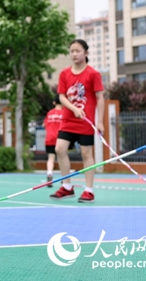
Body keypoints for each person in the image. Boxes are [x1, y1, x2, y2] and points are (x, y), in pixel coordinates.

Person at [50, 39, 105, 203]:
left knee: (86, 153)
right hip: (68, 120)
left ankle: (89, 190)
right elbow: (61, 96)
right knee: (60, 149)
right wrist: (74, 109)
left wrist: (100, 121)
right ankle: (67, 187)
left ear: (86, 53)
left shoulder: (93, 74)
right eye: (71, 51)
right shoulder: (64, 74)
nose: (74, 54)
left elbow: (100, 98)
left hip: (85, 122)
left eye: (77, 51)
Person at [43, 101, 65, 187]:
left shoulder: (50, 113)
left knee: (51, 158)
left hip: (49, 138)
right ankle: (64, 178)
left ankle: (49, 174)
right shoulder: (64, 113)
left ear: (54, 102)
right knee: (62, 158)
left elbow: (44, 124)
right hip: (61, 138)